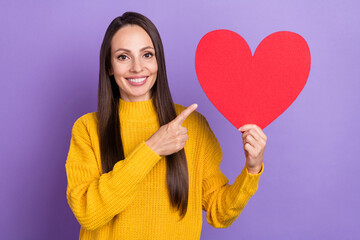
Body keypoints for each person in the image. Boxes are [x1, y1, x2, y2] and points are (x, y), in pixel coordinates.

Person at [65, 11, 267, 240]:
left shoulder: (193, 125)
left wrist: (252, 169)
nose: (137, 67)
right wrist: (152, 148)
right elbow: (88, 213)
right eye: (123, 57)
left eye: (147, 55)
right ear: (109, 67)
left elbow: (219, 213)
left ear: (158, 60)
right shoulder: (88, 128)